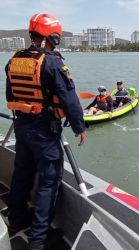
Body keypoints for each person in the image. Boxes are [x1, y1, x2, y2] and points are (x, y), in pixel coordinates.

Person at [5, 13, 86, 250]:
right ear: (53, 37)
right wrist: (79, 127)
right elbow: (69, 99)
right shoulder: (53, 62)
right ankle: (38, 240)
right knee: (49, 182)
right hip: (44, 130)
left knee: (22, 174)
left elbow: (11, 95)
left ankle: (16, 221)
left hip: (22, 126)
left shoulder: (13, 60)